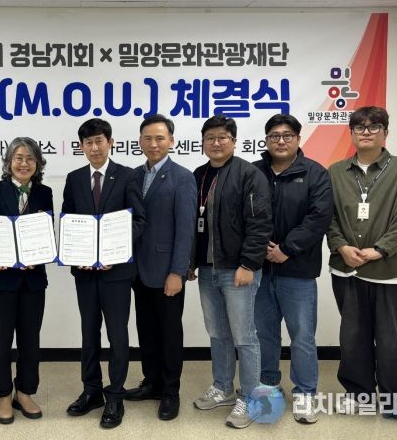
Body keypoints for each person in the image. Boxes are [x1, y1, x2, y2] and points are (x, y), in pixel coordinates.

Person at [326, 106, 397, 430]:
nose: (366, 132)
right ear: (351, 133)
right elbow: (327, 216)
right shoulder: (335, 172)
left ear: (385, 133)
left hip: (390, 272)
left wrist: (380, 249)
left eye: (374, 126)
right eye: (360, 127)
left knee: (392, 341)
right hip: (347, 270)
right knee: (353, 338)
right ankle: (359, 395)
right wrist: (341, 246)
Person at [189, 114, 272, 429]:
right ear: (203, 142)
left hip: (237, 269)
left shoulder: (249, 175)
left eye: (222, 137)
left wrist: (249, 264)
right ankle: (223, 387)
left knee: (244, 336)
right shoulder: (199, 175)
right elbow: (193, 224)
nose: (216, 142)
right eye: (210, 138)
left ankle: (250, 398)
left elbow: (260, 223)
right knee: (217, 333)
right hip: (208, 269)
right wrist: (190, 262)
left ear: (234, 141)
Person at [62, 118, 146, 429]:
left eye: (99, 141)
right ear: (81, 146)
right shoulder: (74, 178)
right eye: (88, 142)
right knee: (88, 333)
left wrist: (113, 251)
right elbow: (68, 221)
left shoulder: (128, 175)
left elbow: (139, 221)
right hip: (85, 273)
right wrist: (76, 253)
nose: (94, 147)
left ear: (110, 142)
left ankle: (115, 396)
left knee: (117, 335)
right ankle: (92, 391)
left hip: (117, 272)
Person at [252, 114, 333, 424]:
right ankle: (269, 386)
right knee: (264, 334)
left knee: (302, 336)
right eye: (274, 135)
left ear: (298, 139)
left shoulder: (315, 173)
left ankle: (305, 393)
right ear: (266, 140)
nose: (281, 141)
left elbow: (319, 217)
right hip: (260, 270)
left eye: (287, 135)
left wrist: (286, 249)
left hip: (298, 270)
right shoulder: (254, 172)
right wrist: (261, 248)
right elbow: (242, 215)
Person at [125, 114, 196, 421]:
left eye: (159, 138)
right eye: (148, 138)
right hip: (137, 270)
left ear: (171, 141)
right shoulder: (133, 176)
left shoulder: (182, 177)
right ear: (140, 141)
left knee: (169, 334)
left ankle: (170, 391)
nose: (153, 144)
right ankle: (151, 382)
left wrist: (177, 272)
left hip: (167, 271)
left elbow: (186, 229)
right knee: (146, 331)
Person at [0, 137, 53, 425]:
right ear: (9, 161)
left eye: (30, 159)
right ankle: (3, 394)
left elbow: (46, 231)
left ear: (38, 164)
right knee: (0, 343)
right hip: (1, 281)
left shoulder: (45, 192)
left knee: (30, 341)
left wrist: (41, 252)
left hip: (33, 282)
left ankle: (24, 392)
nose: (24, 164)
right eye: (19, 158)